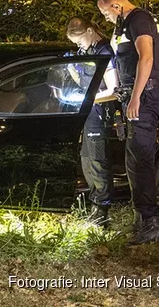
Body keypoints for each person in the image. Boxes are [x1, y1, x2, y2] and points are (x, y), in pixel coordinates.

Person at [97, 0, 159, 245]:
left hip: (146, 94)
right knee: (133, 160)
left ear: (116, 6)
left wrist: (136, 96)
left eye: (105, 13)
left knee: (141, 158)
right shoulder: (126, 23)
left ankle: (152, 224)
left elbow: (146, 58)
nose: (106, 19)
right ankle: (142, 219)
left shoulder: (138, 19)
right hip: (137, 94)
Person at [64, 17, 119, 228]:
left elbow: (113, 90)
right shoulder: (86, 53)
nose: (78, 46)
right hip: (88, 114)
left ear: (89, 31)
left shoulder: (105, 53)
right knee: (87, 161)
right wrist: (72, 69)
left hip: (99, 113)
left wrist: (90, 99)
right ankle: (95, 207)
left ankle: (102, 212)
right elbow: (83, 83)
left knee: (98, 161)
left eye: (78, 41)